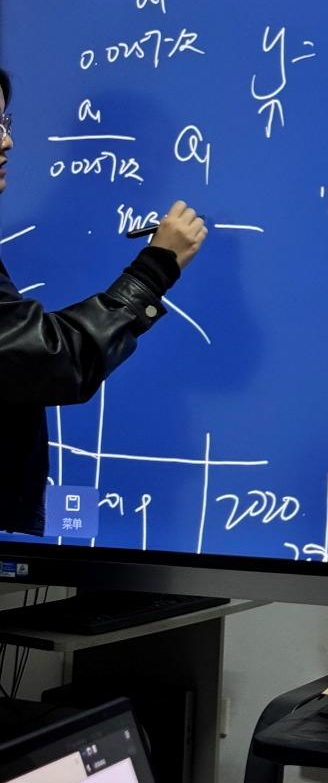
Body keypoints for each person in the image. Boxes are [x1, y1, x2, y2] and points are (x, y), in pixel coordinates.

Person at [0, 68, 207, 535]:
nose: (7, 142)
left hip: (160, 471)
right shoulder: (33, 241)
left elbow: (233, 370)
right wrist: (155, 269)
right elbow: (50, 359)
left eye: (5, 123)